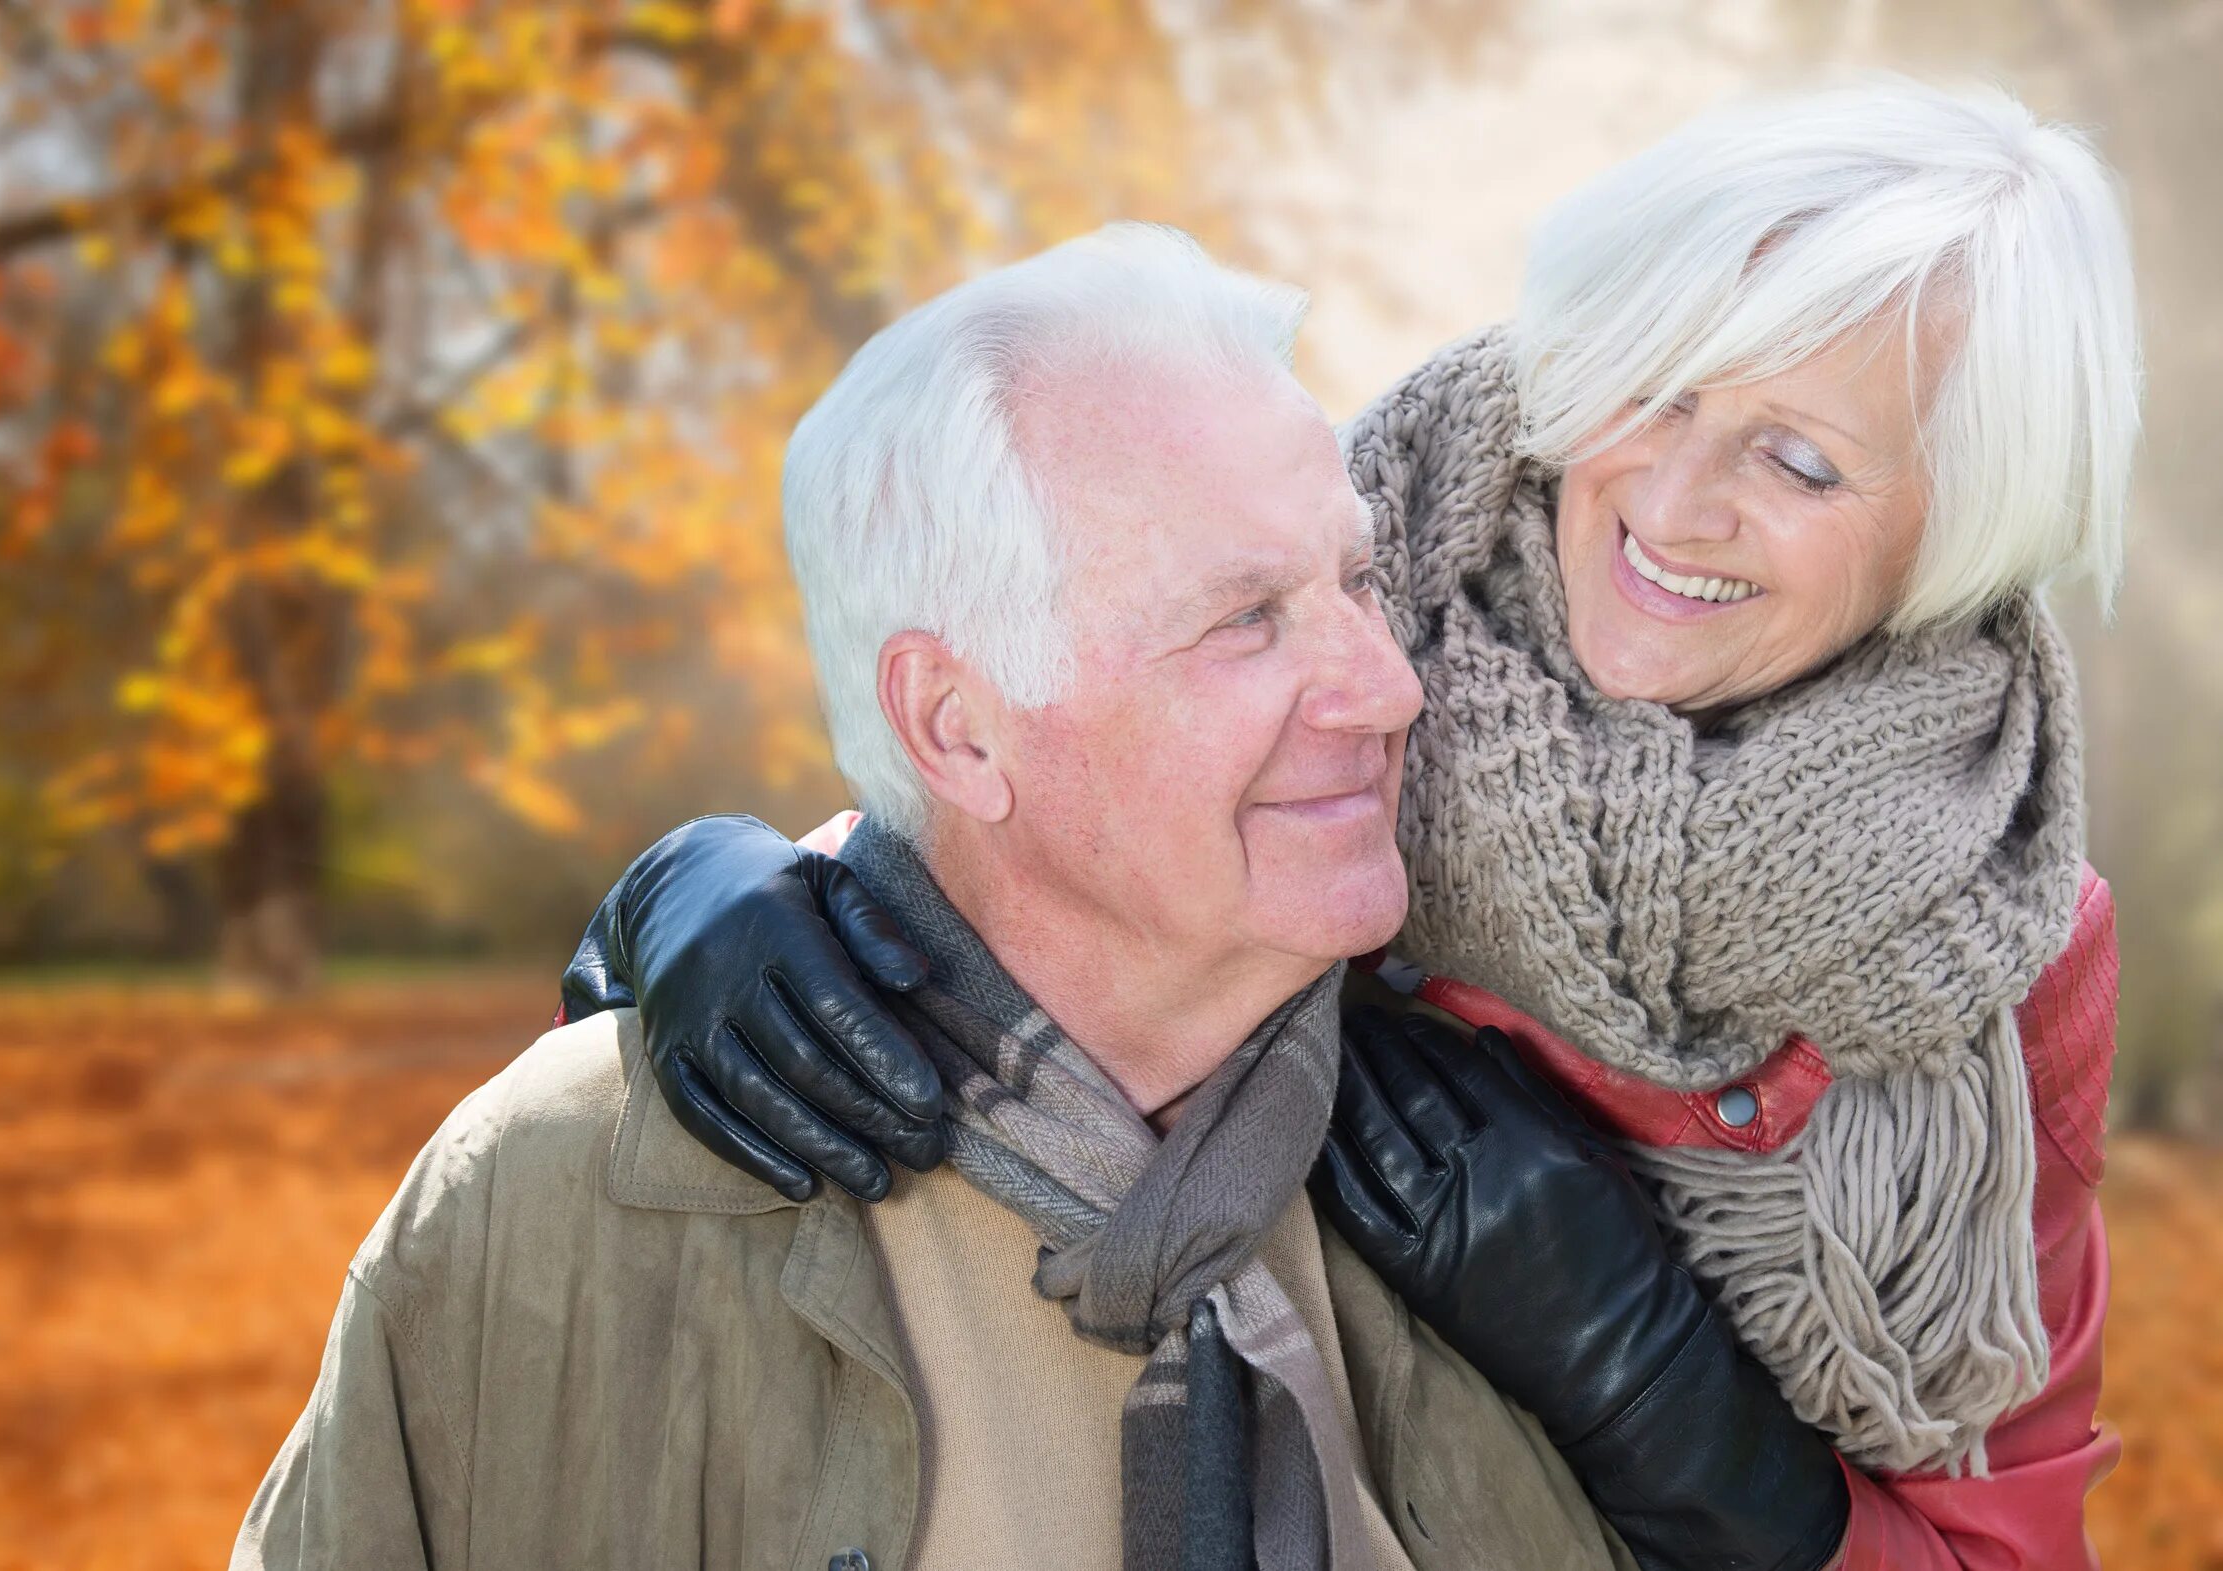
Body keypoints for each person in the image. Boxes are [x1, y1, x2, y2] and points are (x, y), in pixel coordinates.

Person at [561, 79, 2138, 1570]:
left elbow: (1989, 1546)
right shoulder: (1366, 624)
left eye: (1799, 461)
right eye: (1650, 386)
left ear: (1961, 524)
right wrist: (704, 890)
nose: (1675, 498)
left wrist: (1663, 1398)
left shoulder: (2000, 926)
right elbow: (1027, 806)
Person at [239, 225, 1842, 1571]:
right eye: (1242, 621)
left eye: (1357, 580)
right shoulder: (551, 1203)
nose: (1384, 685)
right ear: (957, 724)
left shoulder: (1514, 1167)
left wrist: (1668, 1414)